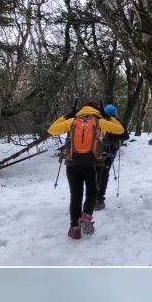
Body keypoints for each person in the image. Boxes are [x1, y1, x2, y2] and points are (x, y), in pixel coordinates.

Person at [48, 101, 125, 239]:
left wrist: (66, 116)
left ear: (82, 109)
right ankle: (86, 215)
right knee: (91, 194)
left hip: (73, 164)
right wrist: (107, 116)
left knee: (75, 196)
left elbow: (51, 130)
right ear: (97, 110)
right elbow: (120, 130)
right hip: (94, 164)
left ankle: (75, 229)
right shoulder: (100, 122)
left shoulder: (72, 121)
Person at [95, 104, 130, 211]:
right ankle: (99, 200)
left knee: (96, 174)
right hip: (110, 153)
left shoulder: (98, 121)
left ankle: (93, 198)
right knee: (104, 175)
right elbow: (126, 136)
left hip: (97, 152)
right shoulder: (117, 123)